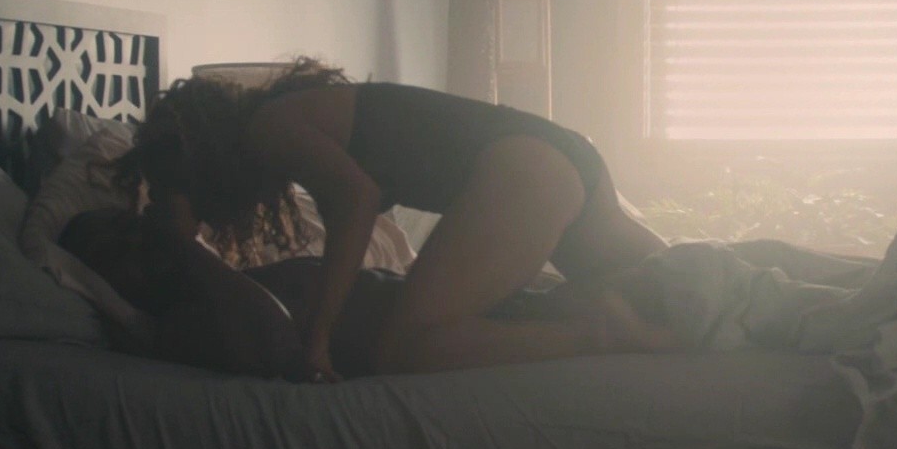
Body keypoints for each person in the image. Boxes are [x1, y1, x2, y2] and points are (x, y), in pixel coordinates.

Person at [120, 62, 678, 380]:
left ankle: (597, 335)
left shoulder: (268, 128)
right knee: (682, 286)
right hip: (559, 154)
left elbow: (357, 201)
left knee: (406, 349)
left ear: (201, 160)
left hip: (525, 170)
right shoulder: (306, 114)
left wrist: (317, 337)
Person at [58, 207, 593, 380]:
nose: (139, 241)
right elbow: (279, 340)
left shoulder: (214, 284)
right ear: (102, 278)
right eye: (115, 249)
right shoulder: (179, 325)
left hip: (463, 304)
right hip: (456, 335)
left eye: (129, 226)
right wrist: (182, 246)